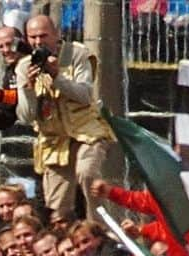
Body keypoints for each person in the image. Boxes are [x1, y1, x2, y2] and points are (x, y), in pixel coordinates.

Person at [14, 14, 114, 223]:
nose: (38, 42)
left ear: (57, 34)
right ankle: (62, 243)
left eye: (43, 35)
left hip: (86, 133)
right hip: (54, 140)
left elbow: (85, 94)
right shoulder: (24, 65)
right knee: (56, 208)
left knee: (87, 174)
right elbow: (25, 116)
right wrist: (28, 89)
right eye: (33, 37)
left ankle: (100, 230)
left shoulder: (75, 54)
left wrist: (56, 76)